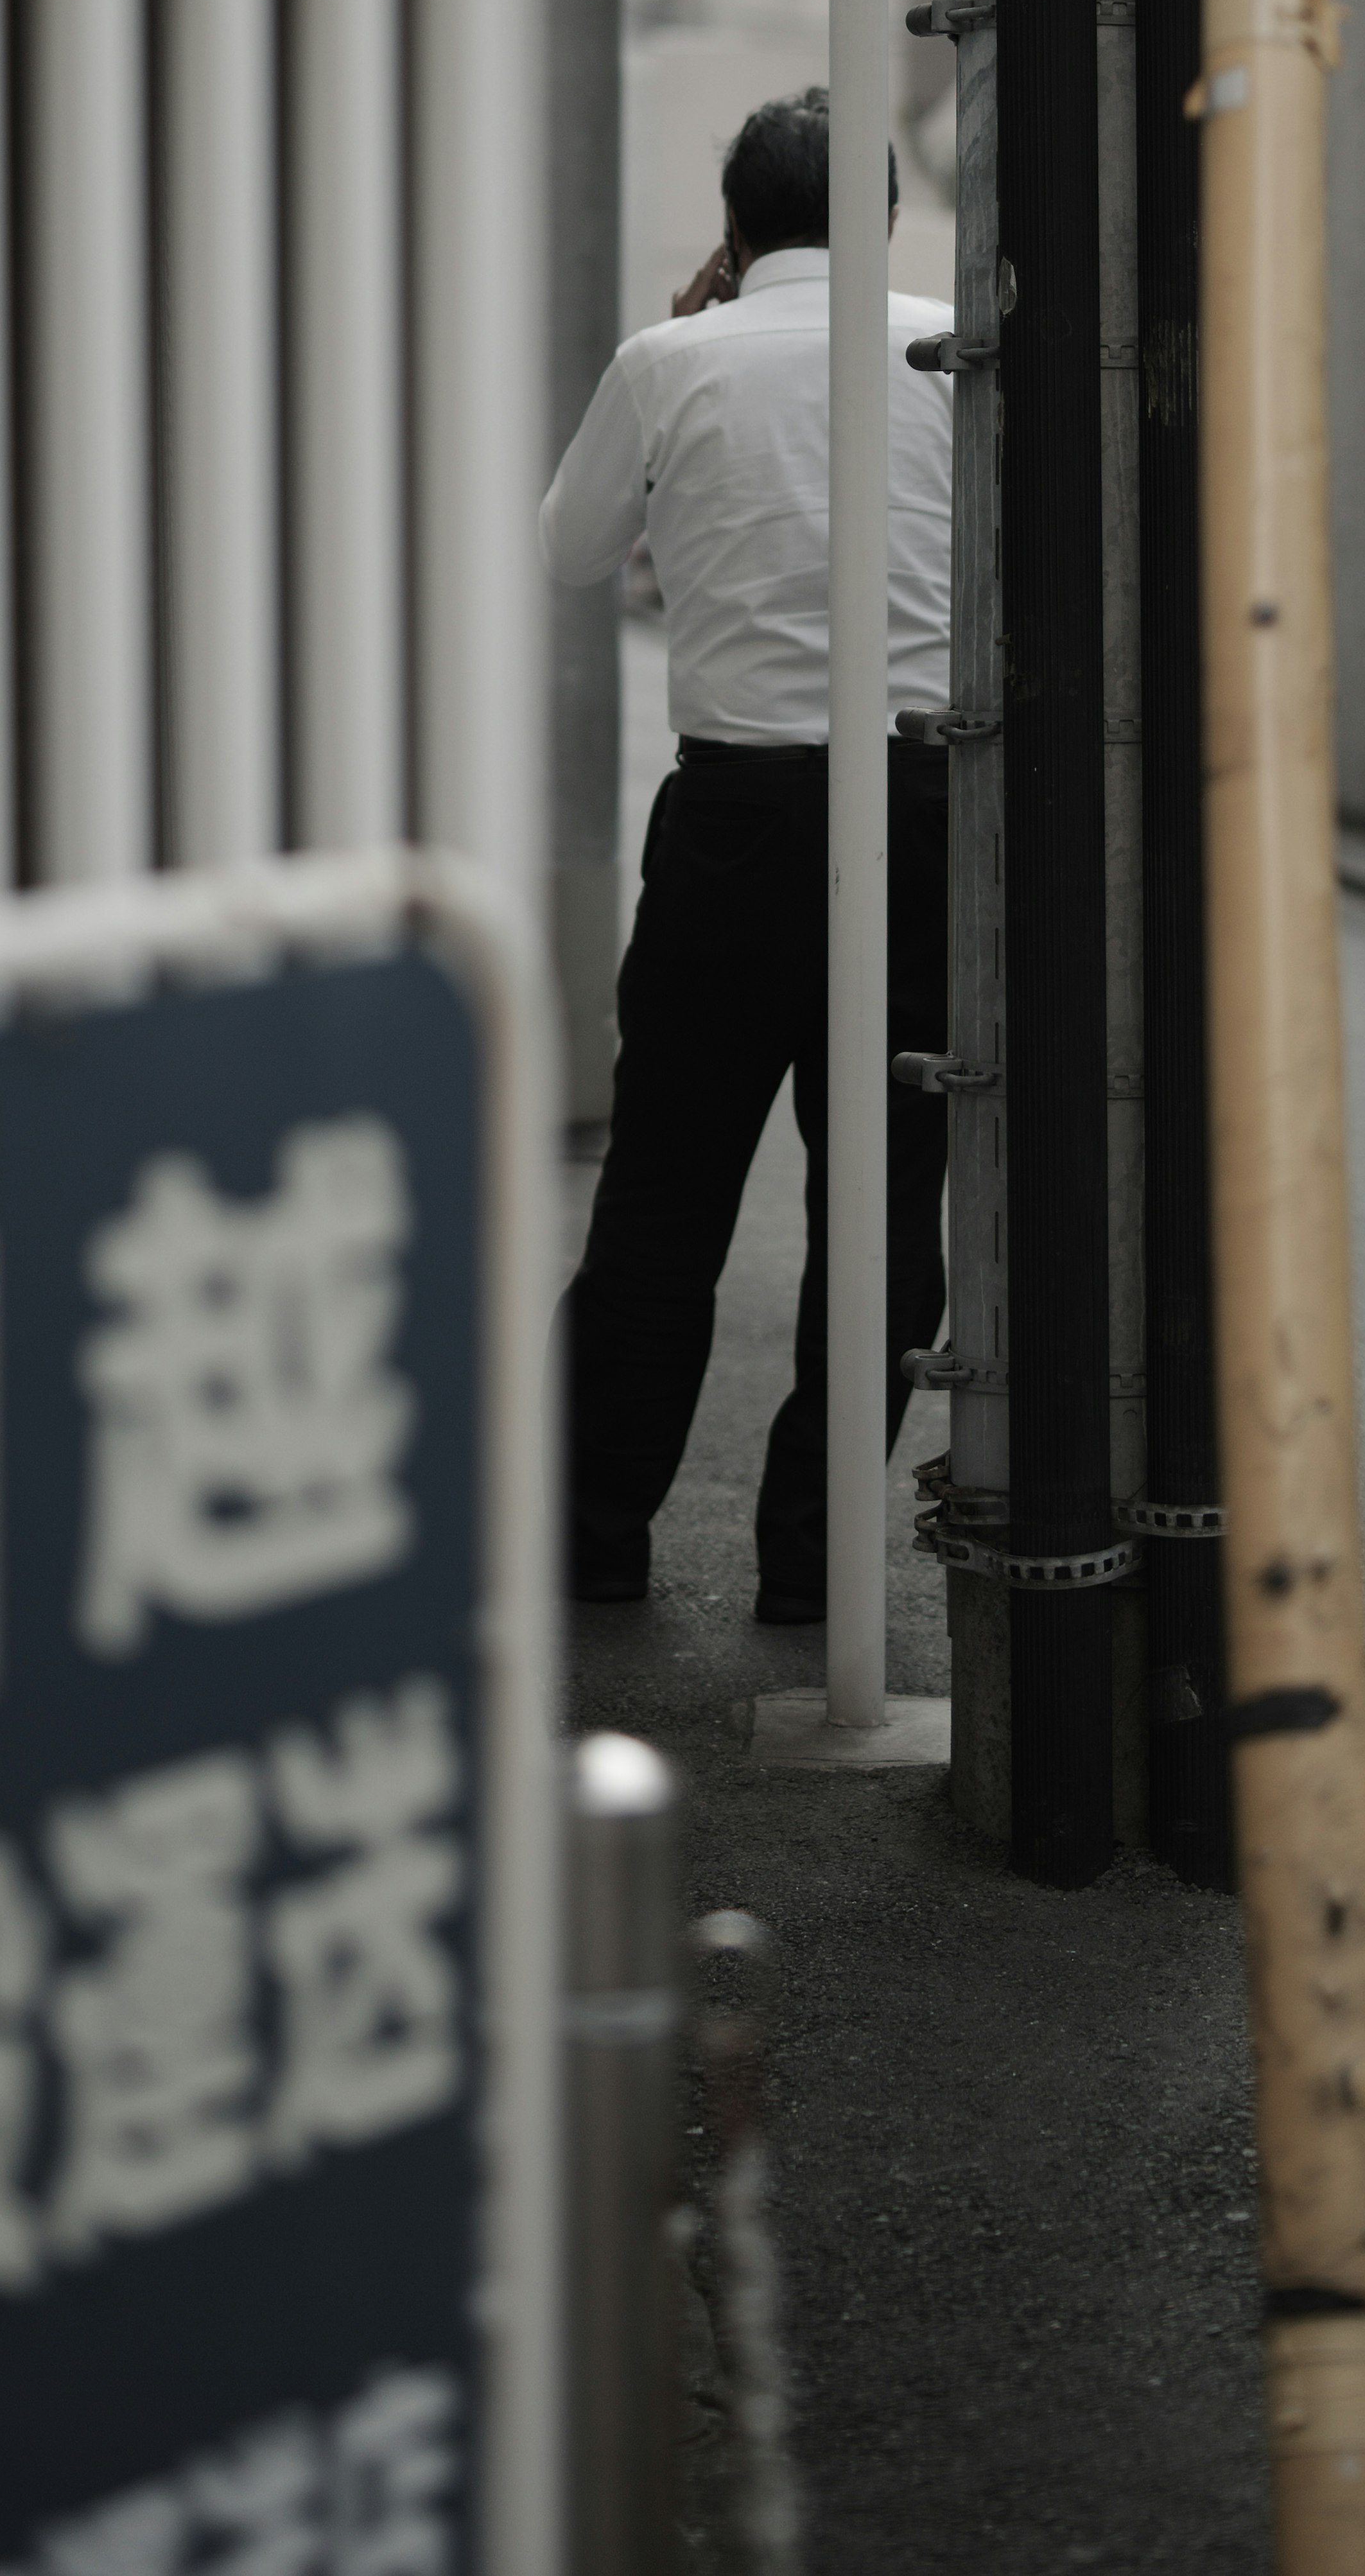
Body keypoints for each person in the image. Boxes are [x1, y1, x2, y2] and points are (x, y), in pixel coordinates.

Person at [541, 88, 954, 1621]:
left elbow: (570, 555)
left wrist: (677, 337)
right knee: (889, 1201)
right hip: (926, 816)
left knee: (664, 1193)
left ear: (733, 232)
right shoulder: (951, 352)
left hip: (732, 822)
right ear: (892, 218)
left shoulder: (672, 359)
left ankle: (593, 1539)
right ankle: (814, 1563)